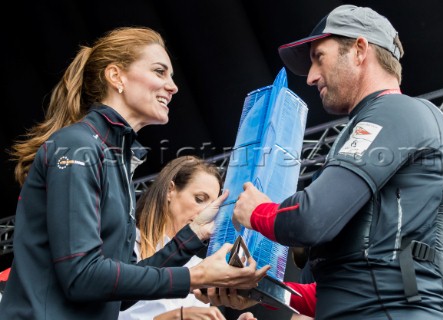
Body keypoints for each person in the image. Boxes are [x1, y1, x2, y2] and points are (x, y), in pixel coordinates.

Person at [0, 26, 269, 320]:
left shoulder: (115, 160)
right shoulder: (76, 146)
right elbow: (81, 276)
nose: (173, 86)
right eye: (159, 71)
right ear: (116, 76)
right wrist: (196, 275)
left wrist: (192, 235)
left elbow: (122, 296)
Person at [229, 4, 443, 320]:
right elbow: (342, 290)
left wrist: (257, 211)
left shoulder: (395, 112)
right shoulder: (385, 124)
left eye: (320, 58)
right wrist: (256, 286)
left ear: (360, 50)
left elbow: (311, 218)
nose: (312, 77)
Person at [119, 155, 257, 320]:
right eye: (200, 199)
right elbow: (100, 309)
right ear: (170, 190)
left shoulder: (200, 265)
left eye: (215, 207)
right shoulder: (126, 243)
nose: (208, 213)